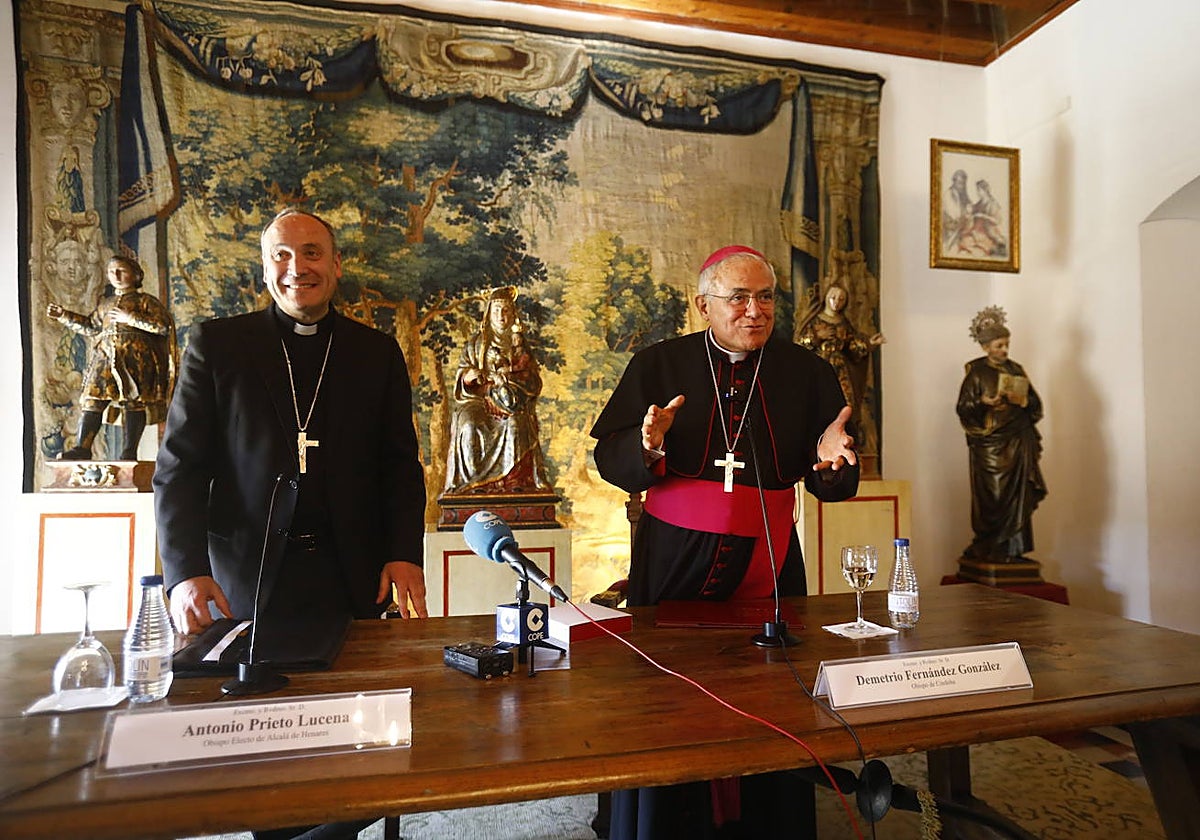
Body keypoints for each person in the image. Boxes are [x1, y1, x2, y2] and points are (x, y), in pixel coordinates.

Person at [154, 209, 427, 839]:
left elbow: (398, 465)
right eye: (281, 255)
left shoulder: (374, 352)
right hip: (249, 575)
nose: (296, 269)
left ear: (334, 265)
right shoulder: (219, 345)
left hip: (351, 573)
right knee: (268, 745)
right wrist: (185, 571)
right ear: (265, 265)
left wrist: (404, 551)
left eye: (310, 254)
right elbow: (181, 470)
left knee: (361, 740)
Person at [590, 244, 860, 839]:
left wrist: (833, 467)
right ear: (703, 304)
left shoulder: (806, 370)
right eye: (737, 298)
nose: (754, 310)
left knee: (772, 681)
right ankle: (665, 821)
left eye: (765, 297)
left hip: (771, 550)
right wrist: (648, 444)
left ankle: (769, 820)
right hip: (674, 552)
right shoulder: (659, 364)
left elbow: (832, 477)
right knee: (667, 688)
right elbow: (609, 456)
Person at [46, 255, 173, 461]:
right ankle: (82, 448)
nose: (116, 275)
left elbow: (162, 326)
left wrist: (131, 318)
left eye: (121, 270)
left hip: (136, 359)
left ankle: (129, 452)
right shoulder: (106, 304)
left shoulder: (145, 301)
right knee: (93, 399)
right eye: (112, 272)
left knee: (133, 401)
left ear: (136, 275)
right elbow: (91, 327)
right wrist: (64, 315)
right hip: (105, 357)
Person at [957, 306, 1047, 562]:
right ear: (986, 347)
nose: (1004, 350)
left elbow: (1036, 405)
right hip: (989, 444)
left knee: (1018, 495)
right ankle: (990, 544)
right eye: (999, 345)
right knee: (994, 495)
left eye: (1006, 344)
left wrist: (1022, 402)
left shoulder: (1016, 370)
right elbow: (963, 407)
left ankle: (1013, 547)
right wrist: (984, 402)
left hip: (1018, 439)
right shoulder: (976, 373)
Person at [443, 285, 551, 494]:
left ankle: (514, 483)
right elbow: (464, 375)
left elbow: (532, 381)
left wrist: (510, 382)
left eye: (506, 310)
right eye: (496, 310)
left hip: (511, 404)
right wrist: (469, 377)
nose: (501, 316)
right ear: (489, 314)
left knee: (516, 425)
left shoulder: (520, 346)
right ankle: (474, 484)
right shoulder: (475, 345)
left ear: (513, 314)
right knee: (469, 424)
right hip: (480, 401)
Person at [797, 282, 885, 435]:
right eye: (833, 297)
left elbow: (852, 347)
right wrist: (817, 337)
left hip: (840, 372)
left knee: (844, 405)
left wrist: (870, 343)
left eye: (841, 299)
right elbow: (799, 344)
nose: (836, 302)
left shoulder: (844, 324)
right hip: (818, 368)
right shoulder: (815, 321)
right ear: (826, 297)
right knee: (816, 403)